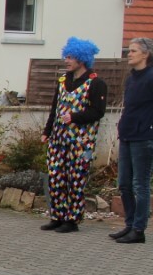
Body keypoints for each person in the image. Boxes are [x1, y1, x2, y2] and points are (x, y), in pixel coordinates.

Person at [40, 37, 107, 234]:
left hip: (81, 141)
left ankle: (72, 220)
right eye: (66, 56)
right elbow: (55, 108)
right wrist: (47, 131)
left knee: (75, 179)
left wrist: (75, 117)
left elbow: (98, 112)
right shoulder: (63, 81)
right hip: (58, 138)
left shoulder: (96, 83)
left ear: (81, 58)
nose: (66, 60)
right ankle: (57, 216)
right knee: (55, 177)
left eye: (70, 57)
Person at [110, 37, 153, 244]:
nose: (129, 54)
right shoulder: (131, 78)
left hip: (143, 136)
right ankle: (129, 224)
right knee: (124, 184)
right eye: (129, 50)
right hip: (127, 134)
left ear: (146, 54)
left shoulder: (151, 77)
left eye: (134, 51)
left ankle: (138, 229)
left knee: (140, 184)